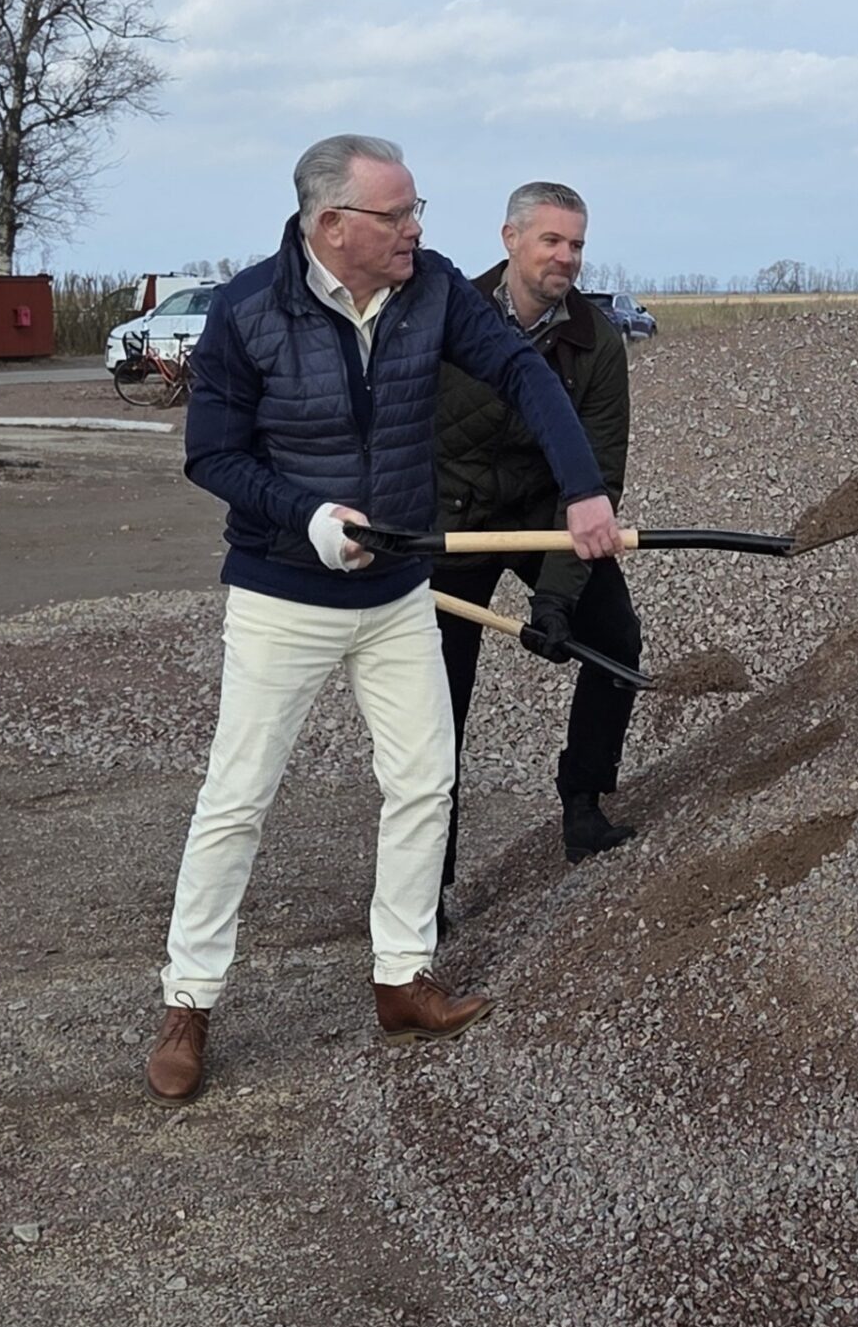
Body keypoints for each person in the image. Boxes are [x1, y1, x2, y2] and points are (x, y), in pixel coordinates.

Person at [145, 135, 621, 1106]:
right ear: (333, 225)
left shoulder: (433, 290)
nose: (415, 229)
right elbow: (213, 456)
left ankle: (402, 977)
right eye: (397, 214)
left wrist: (583, 490)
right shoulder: (246, 311)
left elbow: (525, 375)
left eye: (415, 211)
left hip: (398, 590)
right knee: (238, 797)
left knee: (423, 781)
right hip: (283, 593)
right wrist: (309, 518)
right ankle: (188, 1003)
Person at [431, 182, 643, 898]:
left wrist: (556, 597)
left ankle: (584, 804)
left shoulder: (595, 341)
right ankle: (428, 883)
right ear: (510, 238)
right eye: (551, 240)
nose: (566, 257)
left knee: (614, 636)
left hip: (538, 514)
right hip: (447, 522)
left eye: (576, 244)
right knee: (437, 697)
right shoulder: (444, 314)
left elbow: (595, 479)